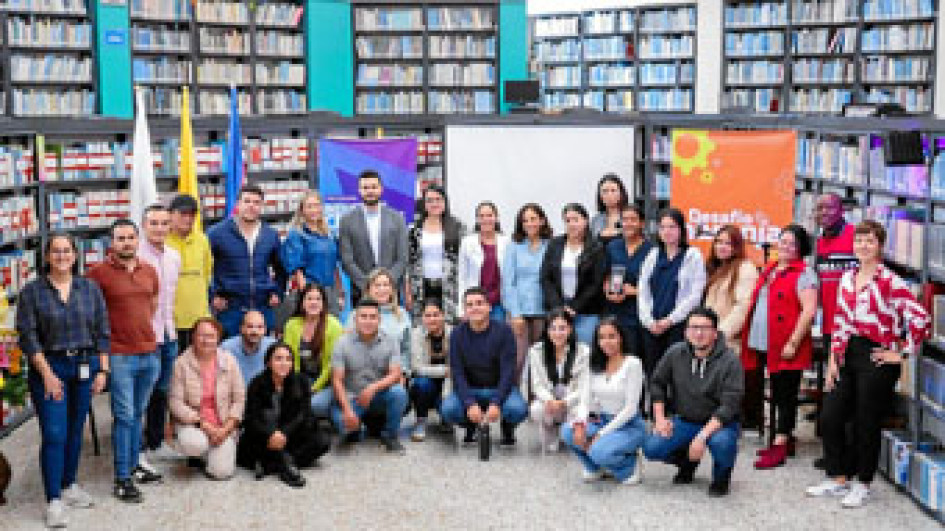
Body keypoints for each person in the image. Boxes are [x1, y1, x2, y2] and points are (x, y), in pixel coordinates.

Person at [806, 220, 930, 508]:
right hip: (848, 353)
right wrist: (834, 358)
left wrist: (901, 352)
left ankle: (863, 483)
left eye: (870, 241)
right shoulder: (847, 278)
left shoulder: (891, 281)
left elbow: (920, 318)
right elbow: (840, 321)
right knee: (831, 416)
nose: (863, 246)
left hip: (877, 358)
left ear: (880, 247)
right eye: (859, 240)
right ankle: (837, 478)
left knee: (866, 422)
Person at [16, 233, 110, 528]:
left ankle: (69, 486)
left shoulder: (89, 288)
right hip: (50, 366)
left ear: (75, 255)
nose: (61, 256)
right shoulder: (32, 292)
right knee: (55, 433)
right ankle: (53, 500)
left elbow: (102, 330)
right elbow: (28, 338)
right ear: (45, 257)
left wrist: (103, 370)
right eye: (55, 251)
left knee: (74, 431)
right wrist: (47, 374)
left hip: (84, 365)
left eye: (66, 251)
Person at [86, 219, 162, 501]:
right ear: (112, 242)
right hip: (118, 356)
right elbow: (91, 315)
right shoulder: (98, 274)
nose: (126, 242)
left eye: (131, 237)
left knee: (137, 415)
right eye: (120, 238)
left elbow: (152, 305)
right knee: (124, 417)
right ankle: (122, 478)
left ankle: (133, 466)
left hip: (148, 353)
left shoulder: (149, 271)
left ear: (138, 240)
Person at [643, 307, 744, 496]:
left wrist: (702, 437)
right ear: (686, 331)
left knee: (723, 444)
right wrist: (660, 419)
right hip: (685, 420)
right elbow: (657, 383)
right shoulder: (675, 353)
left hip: (720, 424)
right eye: (694, 327)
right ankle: (687, 461)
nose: (699, 333)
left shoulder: (730, 361)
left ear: (715, 333)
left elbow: (729, 405)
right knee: (652, 448)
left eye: (705, 328)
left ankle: (721, 478)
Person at [743, 224, 818, 469]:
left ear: (801, 249)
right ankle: (777, 438)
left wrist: (793, 342)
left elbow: (808, 311)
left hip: (787, 343)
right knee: (774, 392)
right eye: (782, 241)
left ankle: (782, 442)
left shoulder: (805, 274)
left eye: (791, 243)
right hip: (765, 341)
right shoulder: (772, 268)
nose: (785, 246)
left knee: (785, 394)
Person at [561, 317, 644, 484]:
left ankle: (629, 465)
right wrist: (580, 425)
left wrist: (600, 434)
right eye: (602, 337)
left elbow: (630, 409)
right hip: (601, 419)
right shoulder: (593, 364)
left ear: (621, 337)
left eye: (612, 336)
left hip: (627, 425)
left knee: (598, 450)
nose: (607, 342)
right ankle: (594, 467)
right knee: (567, 432)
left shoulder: (633, 364)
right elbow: (584, 401)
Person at [440, 288, 527, 446]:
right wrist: (469, 403)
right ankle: (471, 426)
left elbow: (508, 372)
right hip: (471, 388)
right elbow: (457, 373)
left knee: (517, 409)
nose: (475, 308)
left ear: (489, 307)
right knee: (448, 410)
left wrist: (496, 402)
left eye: (479, 303)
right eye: (470, 305)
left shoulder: (505, 331)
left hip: (499, 387)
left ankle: (507, 427)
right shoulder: (457, 334)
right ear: (465, 310)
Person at [237, 342, 330, 488]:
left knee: (322, 442)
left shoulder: (301, 381)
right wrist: (270, 434)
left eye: (288, 359)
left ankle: (272, 464)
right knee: (264, 418)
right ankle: (286, 465)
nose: (284, 363)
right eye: (278, 359)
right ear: (268, 362)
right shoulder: (257, 383)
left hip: (290, 434)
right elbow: (251, 418)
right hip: (266, 436)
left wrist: (284, 434)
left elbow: (304, 415)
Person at [811, 193, 858, 471]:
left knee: (850, 396)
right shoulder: (818, 243)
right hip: (830, 330)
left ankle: (850, 458)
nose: (824, 212)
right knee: (834, 394)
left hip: (855, 329)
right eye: (819, 208)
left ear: (842, 210)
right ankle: (835, 455)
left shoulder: (855, 237)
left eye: (830, 207)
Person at [169, 318, 245, 480]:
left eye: (211, 336)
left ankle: (210, 455)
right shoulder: (181, 363)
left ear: (218, 338)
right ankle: (200, 453)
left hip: (223, 424)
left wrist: (226, 429)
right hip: (195, 424)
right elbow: (175, 403)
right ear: (193, 337)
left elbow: (239, 399)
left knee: (221, 473)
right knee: (195, 444)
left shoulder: (229, 361)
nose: (206, 340)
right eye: (201, 335)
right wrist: (204, 425)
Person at [137, 205, 182, 473]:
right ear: (144, 225)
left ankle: (155, 442)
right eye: (154, 223)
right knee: (143, 395)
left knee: (162, 391)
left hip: (168, 333)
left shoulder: (174, 256)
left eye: (164, 223)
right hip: (144, 337)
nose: (159, 228)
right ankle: (138, 449)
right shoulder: (137, 257)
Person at [331, 298, 409, 454]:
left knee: (399, 393)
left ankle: (389, 435)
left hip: (379, 395)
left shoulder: (391, 341)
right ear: (355, 319)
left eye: (373, 317)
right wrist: (347, 410)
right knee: (345, 429)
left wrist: (373, 388)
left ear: (379, 320)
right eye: (363, 316)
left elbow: (396, 374)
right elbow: (337, 380)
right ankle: (361, 426)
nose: (368, 321)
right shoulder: (342, 343)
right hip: (353, 397)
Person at [208, 185, 286, 338]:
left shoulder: (270, 235)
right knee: (230, 358)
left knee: (263, 358)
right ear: (238, 204)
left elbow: (281, 268)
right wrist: (212, 295)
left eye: (256, 202)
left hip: (262, 309)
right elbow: (203, 269)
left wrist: (277, 292)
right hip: (230, 310)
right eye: (247, 201)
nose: (251, 206)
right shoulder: (216, 233)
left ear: (262, 206)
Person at [637, 207, 706, 377]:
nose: (667, 231)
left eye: (672, 227)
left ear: (681, 230)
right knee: (653, 374)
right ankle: (655, 404)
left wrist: (670, 320)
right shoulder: (653, 254)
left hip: (678, 326)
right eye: (663, 227)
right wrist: (648, 321)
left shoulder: (692, 256)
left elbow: (694, 295)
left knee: (678, 375)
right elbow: (642, 290)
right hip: (652, 327)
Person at [339, 170, 409, 304]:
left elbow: (402, 258)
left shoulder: (397, 218)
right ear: (359, 190)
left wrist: (386, 285)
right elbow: (347, 260)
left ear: (381, 189)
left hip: (391, 291)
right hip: (361, 292)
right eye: (365, 188)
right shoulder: (347, 221)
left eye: (374, 187)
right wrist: (368, 285)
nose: (370, 191)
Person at [540, 203, 605, 345]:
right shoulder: (555, 244)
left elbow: (595, 283)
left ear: (586, 220)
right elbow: (546, 278)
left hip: (585, 310)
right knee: (558, 351)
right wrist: (558, 307)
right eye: (567, 220)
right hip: (557, 309)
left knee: (584, 352)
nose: (571, 224)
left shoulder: (596, 248)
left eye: (575, 219)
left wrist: (575, 307)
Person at [528, 309, 590, 452]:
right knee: (536, 409)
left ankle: (569, 429)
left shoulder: (583, 351)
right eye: (553, 328)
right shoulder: (536, 351)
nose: (557, 333)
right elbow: (537, 385)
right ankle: (551, 430)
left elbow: (584, 387)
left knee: (581, 411)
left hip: (573, 400)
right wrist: (550, 400)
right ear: (547, 330)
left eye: (562, 328)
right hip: (550, 402)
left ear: (570, 329)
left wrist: (564, 402)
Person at [503, 203, 552, 373]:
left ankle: (536, 399)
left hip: (543, 312)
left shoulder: (552, 246)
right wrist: (516, 314)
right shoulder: (513, 247)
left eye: (533, 219)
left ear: (542, 221)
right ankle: (512, 397)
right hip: (519, 313)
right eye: (525, 220)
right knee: (517, 360)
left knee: (541, 363)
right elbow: (508, 283)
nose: (529, 223)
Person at [282, 283, 343, 418]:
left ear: (323, 303)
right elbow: (289, 360)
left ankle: (334, 408)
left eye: (318, 299)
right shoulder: (291, 325)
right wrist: (297, 385)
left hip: (327, 382)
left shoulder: (334, 325)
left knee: (313, 406)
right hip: (301, 379)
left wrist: (313, 389)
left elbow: (331, 365)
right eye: (309, 299)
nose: (313, 303)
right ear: (302, 302)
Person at [703, 224, 759, 370]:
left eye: (728, 243)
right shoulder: (717, 268)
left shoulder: (745, 268)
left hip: (729, 344)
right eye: (719, 241)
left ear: (737, 247)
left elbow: (743, 307)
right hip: (710, 341)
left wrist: (719, 334)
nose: (722, 246)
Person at [405, 185, 465, 322]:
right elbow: (408, 263)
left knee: (449, 326)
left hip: (449, 288)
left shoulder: (458, 227)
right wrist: (408, 291)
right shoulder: (414, 229)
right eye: (430, 200)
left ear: (445, 202)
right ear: (424, 204)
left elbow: (464, 262)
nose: (434, 204)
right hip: (420, 288)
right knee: (422, 327)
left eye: (438, 199)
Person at [280, 191, 344, 315]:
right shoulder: (297, 234)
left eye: (317, 205)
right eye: (309, 206)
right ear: (302, 210)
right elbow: (296, 269)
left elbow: (334, 267)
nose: (314, 210)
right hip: (310, 292)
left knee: (332, 331)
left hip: (330, 293)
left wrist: (340, 293)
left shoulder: (329, 235)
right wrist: (307, 296)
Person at [602, 204, 652, 357]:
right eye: (625, 220)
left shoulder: (652, 249)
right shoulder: (612, 246)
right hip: (614, 311)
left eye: (633, 219)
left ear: (642, 223)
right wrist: (607, 291)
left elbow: (658, 285)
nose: (628, 223)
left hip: (638, 314)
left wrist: (635, 291)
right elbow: (605, 275)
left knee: (634, 358)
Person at [166, 194, 212, 353]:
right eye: (183, 214)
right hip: (171, 321)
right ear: (170, 214)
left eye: (192, 214)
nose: (188, 218)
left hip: (199, 319)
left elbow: (207, 275)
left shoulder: (202, 240)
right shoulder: (162, 240)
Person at [344, 268, 411, 374]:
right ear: (368, 289)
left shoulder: (402, 315)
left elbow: (406, 350)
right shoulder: (355, 315)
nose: (382, 289)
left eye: (385, 285)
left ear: (392, 289)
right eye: (377, 285)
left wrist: (402, 372)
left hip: (394, 375)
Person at [409, 299, 453, 441]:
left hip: (449, 384)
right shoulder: (415, 334)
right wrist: (444, 370)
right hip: (427, 383)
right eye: (428, 315)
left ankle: (445, 416)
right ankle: (421, 420)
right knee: (420, 383)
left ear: (443, 315)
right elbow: (416, 367)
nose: (432, 319)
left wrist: (446, 398)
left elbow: (456, 370)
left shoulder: (454, 333)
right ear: (422, 317)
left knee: (449, 410)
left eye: (436, 314)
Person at [458, 201, 509, 322]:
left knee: (496, 338)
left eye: (490, 215)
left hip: (498, 304)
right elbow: (462, 277)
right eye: (482, 216)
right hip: (474, 304)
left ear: (496, 218)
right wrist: (462, 308)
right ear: (477, 219)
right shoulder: (467, 242)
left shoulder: (507, 242)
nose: (486, 219)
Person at [220, 310, 277, 386]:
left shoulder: (273, 346)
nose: (255, 331)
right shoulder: (226, 348)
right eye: (250, 326)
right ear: (241, 328)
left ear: (265, 330)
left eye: (260, 327)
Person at [590, 173, 631, 245]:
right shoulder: (596, 220)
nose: (609, 195)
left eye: (613, 190)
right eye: (605, 191)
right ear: (600, 196)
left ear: (621, 194)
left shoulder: (631, 217)